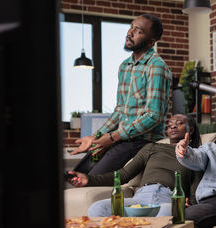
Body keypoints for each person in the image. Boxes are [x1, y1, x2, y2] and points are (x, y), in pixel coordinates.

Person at [67, 114, 201, 228]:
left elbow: (195, 188)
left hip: (168, 199)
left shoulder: (195, 155)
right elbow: (123, 175)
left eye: (179, 123)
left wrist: (191, 202)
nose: (172, 126)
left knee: (168, 212)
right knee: (97, 208)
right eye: (170, 123)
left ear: (190, 130)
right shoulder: (152, 147)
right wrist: (88, 179)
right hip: (140, 198)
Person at [70, 14, 172, 175]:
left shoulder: (156, 67)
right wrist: (96, 137)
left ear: (151, 41)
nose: (130, 33)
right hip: (120, 139)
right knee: (77, 173)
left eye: (138, 31)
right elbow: (120, 110)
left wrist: (112, 138)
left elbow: (153, 115)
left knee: (90, 178)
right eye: (131, 27)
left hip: (141, 141)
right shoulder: (125, 66)